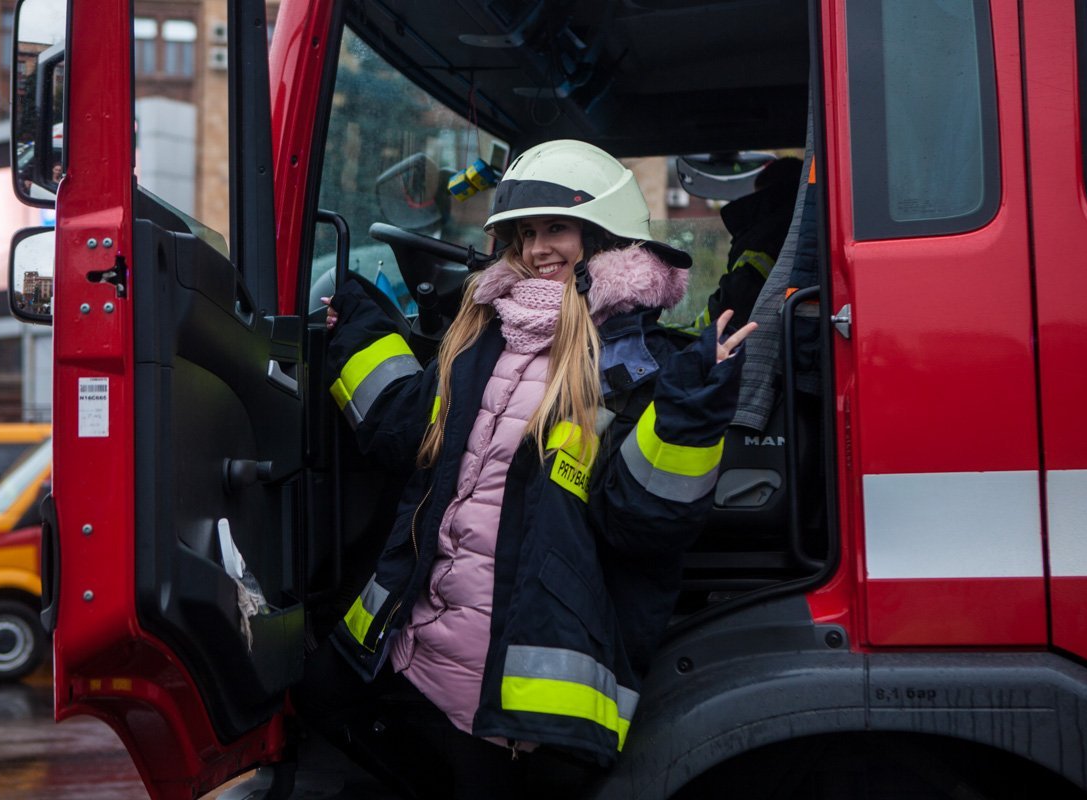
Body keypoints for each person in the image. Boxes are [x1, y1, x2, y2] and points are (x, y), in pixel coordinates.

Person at [295, 139, 756, 799]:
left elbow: (641, 523)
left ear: (602, 236)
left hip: (507, 668)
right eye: (528, 231)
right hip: (412, 629)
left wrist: (691, 412)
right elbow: (403, 426)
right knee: (311, 699)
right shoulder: (482, 336)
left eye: (558, 228)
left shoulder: (633, 367)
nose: (540, 247)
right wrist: (357, 328)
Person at [688, 156, 803, 336]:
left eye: (760, 199)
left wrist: (688, 342)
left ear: (768, 199)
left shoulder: (762, 241)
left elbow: (731, 306)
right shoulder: (805, 231)